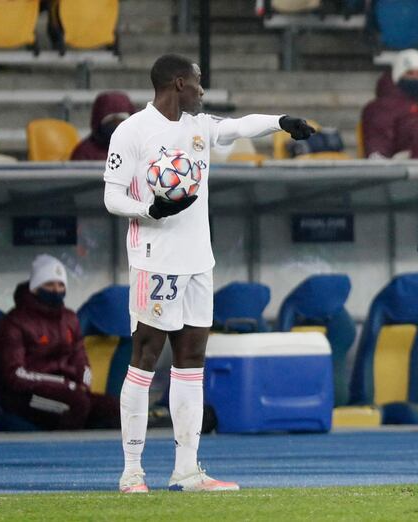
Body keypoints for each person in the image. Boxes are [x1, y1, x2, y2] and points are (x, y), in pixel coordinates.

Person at [103, 54, 315, 493]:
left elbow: (237, 127)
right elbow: (112, 196)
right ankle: (131, 471)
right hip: (154, 260)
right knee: (144, 361)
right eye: (198, 83)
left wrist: (282, 121)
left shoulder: (197, 127)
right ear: (179, 83)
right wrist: (150, 209)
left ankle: (186, 469)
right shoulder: (132, 132)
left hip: (199, 262)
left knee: (192, 361)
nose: (203, 90)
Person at [0, 254, 119, 431]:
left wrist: (83, 384)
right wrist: (63, 384)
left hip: (71, 391)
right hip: (25, 397)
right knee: (76, 405)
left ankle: (104, 457)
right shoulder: (15, 322)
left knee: (114, 408)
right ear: (35, 288)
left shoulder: (69, 318)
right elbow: (14, 374)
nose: (56, 290)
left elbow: (82, 360)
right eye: (49, 284)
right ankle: (64, 457)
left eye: (60, 285)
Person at [360, 49, 418, 159]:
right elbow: (377, 140)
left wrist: (415, 155)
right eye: (410, 73)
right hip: (394, 170)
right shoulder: (378, 108)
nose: (415, 78)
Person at [71, 91, 136, 161]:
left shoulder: (140, 149)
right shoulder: (84, 152)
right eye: (112, 122)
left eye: (122, 121)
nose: (117, 126)